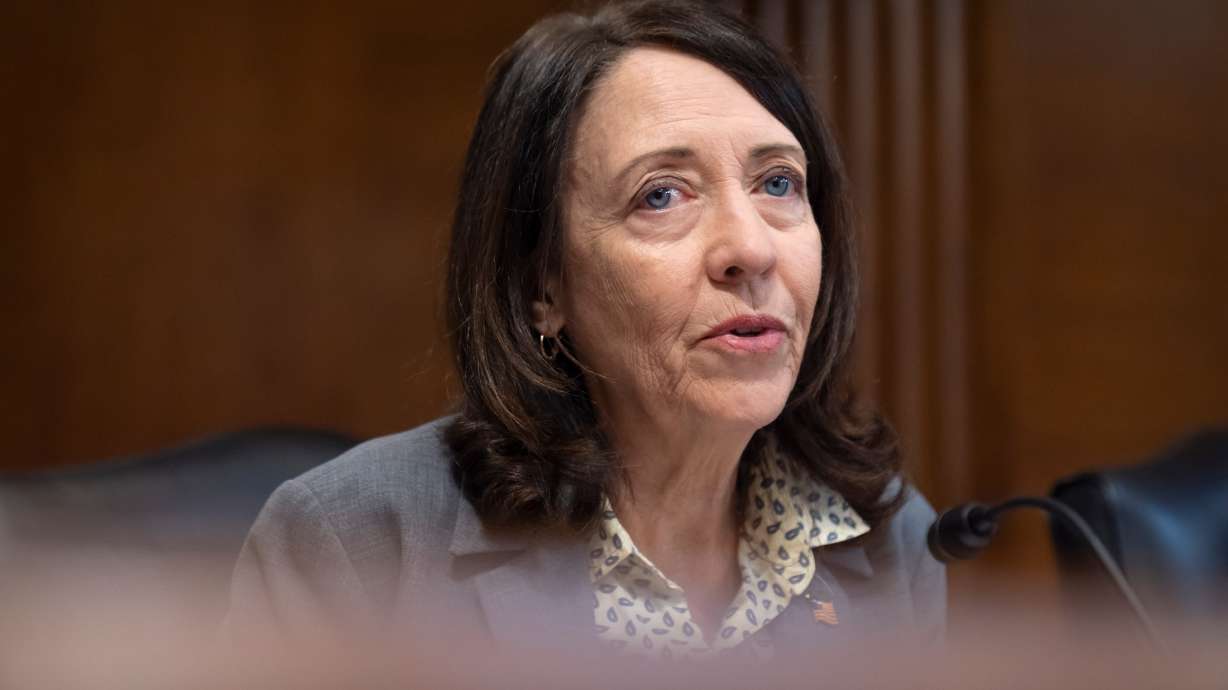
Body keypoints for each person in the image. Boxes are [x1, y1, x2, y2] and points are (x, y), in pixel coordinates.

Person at [226, 0, 945, 663]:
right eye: (661, 195)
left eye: (779, 184)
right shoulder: (356, 546)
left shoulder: (892, 542)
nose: (751, 249)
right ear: (543, 288)